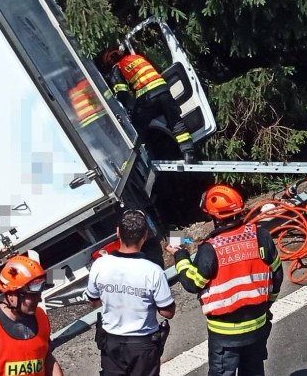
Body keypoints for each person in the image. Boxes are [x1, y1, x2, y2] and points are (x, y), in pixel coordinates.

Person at [168, 185, 283, 376]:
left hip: (224, 334)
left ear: (215, 216)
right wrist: (265, 306)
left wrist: (180, 255)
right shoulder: (260, 236)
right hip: (257, 326)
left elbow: (192, 283)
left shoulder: (211, 248)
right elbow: (277, 276)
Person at [86, 210, 176, 376]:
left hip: (111, 342)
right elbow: (167, 312)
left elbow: (94, 302)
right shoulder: (153, 271)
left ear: (118, 232)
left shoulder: (99, 265)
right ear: (145, 235)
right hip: (143, 344)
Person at [103, 48, 198, 164]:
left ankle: (143, 158)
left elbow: (122, 93)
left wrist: (127, 107)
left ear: (111, 61)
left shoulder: (118, 67)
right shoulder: (138, 58)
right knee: (175, 121)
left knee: (137, 128)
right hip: (164, 91)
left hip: (147, 96)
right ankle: (189, 154)